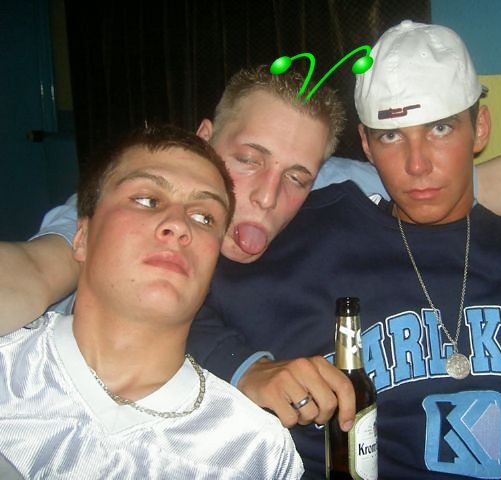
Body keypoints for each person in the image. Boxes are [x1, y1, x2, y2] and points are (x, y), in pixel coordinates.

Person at [1, 63, 501, 420]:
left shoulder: (329, 185)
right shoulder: (139, 202)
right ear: (205, 139)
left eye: (296, 176)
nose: (266, 195)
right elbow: (35, 270)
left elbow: (480, 186)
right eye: (247, 159)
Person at [188, 21, 501, 479]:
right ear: (367, 145)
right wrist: (244, 367)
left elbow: (490, 184)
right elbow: (153, 296)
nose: (417, 165)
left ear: (479, 128)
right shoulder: (275, 234)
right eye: (391, 135)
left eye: (441, 128)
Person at [0, 125, 304, 479]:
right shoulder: (10, 371)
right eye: (147, 200)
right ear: (81, 237)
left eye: (203, 217)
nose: (178, 225)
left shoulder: (254, 451)